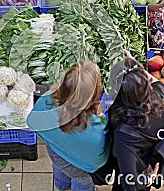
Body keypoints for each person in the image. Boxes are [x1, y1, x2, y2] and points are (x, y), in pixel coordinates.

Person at [27, 60, 110, 191]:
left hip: (56, 154)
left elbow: (32, 122)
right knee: (82, 183)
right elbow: (98, 161)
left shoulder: (47, 100)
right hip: (80, 167)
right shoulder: (97, 129)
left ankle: (62, 186)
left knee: (60, 171)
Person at [108, 50, 164, 191]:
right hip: (153, 157)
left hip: (140, 170)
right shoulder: (160, 97)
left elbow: (130, 184)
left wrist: (148, 179)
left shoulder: (123, 133)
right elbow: (156, 82)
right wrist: (136, 69)